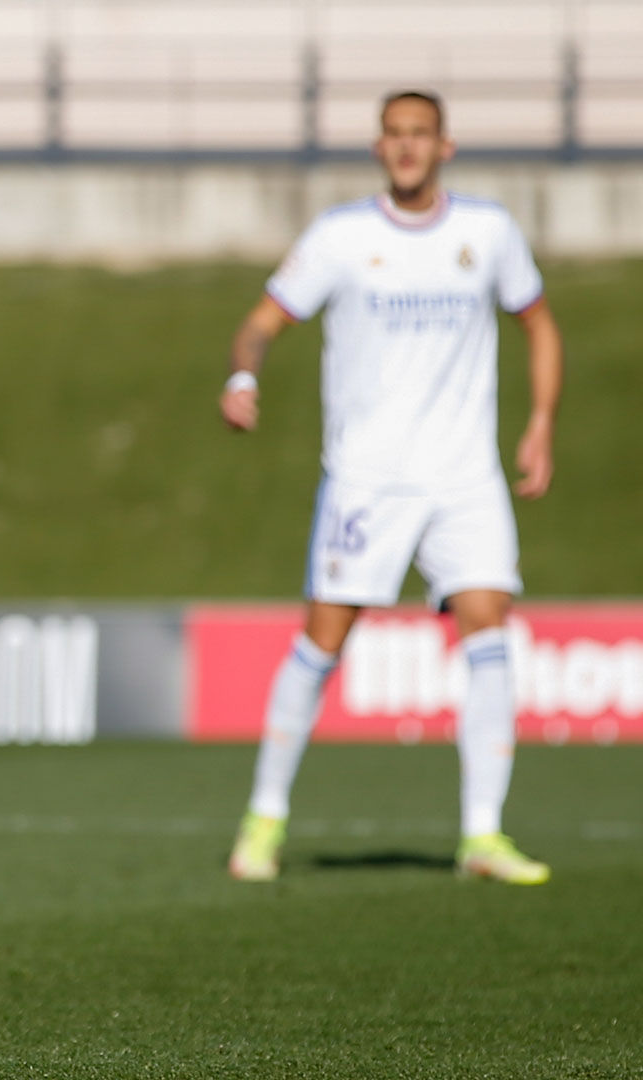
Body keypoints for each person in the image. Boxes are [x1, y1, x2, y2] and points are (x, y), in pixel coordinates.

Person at [220, 90, 563, 885]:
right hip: (368, 479)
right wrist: (243, 373)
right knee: (322, 641)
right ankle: (263, 821)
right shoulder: (342, 237)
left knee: (489, 627)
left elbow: (539, 323)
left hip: (464, 476)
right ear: (380, 147)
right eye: (395, 134)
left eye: (421, 134)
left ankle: (483, 835)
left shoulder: (489, 232)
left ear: (446, 145)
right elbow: (263, 321)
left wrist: (541, 421)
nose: (408, 147)